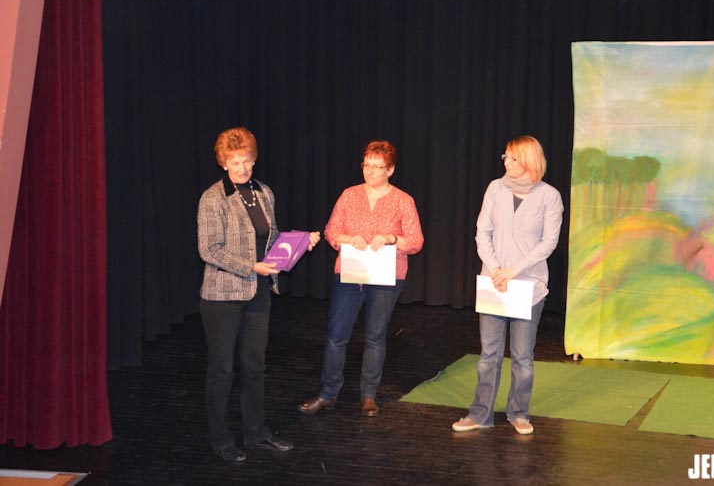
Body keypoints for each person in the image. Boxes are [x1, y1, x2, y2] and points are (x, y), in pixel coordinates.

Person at [197, 126, 320, 462]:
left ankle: (256, 433)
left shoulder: (264, 192)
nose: (242, 168)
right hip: (222, 296)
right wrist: (251, 266)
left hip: (258, 293)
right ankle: (221, 438)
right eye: (235, 162)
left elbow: (272, 240)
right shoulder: (212, 198)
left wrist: (300, 244)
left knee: (254, 366)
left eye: (247, 161)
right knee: (222, 370)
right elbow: (209, 249)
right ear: (223, 163)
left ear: (254, 159)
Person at [298, 140, 424, 417]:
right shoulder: (349, 195)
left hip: (387, 275)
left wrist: (391, 238)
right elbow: (331, 231)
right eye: (366, 165)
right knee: (337, 334)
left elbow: (416, 242)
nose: (370, 171)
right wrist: (346, 238)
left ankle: (368, 395)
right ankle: (328, 393)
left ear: (390, 170)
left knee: (375, 336)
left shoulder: (403, 200)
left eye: (377, 167)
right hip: (351, 272)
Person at [452, 135, 563, 436]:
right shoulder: (495, 188)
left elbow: (548, 242)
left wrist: (514, 270)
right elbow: (482, 232)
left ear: (528, 160)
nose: (506, 162)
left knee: (522, 357)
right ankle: (480, 413)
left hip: (529, 285)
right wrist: (496, 269)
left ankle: (519, 413)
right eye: (506, 157)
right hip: (494, 282)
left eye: (512, 158)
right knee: (488, 355)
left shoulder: (549, 196)